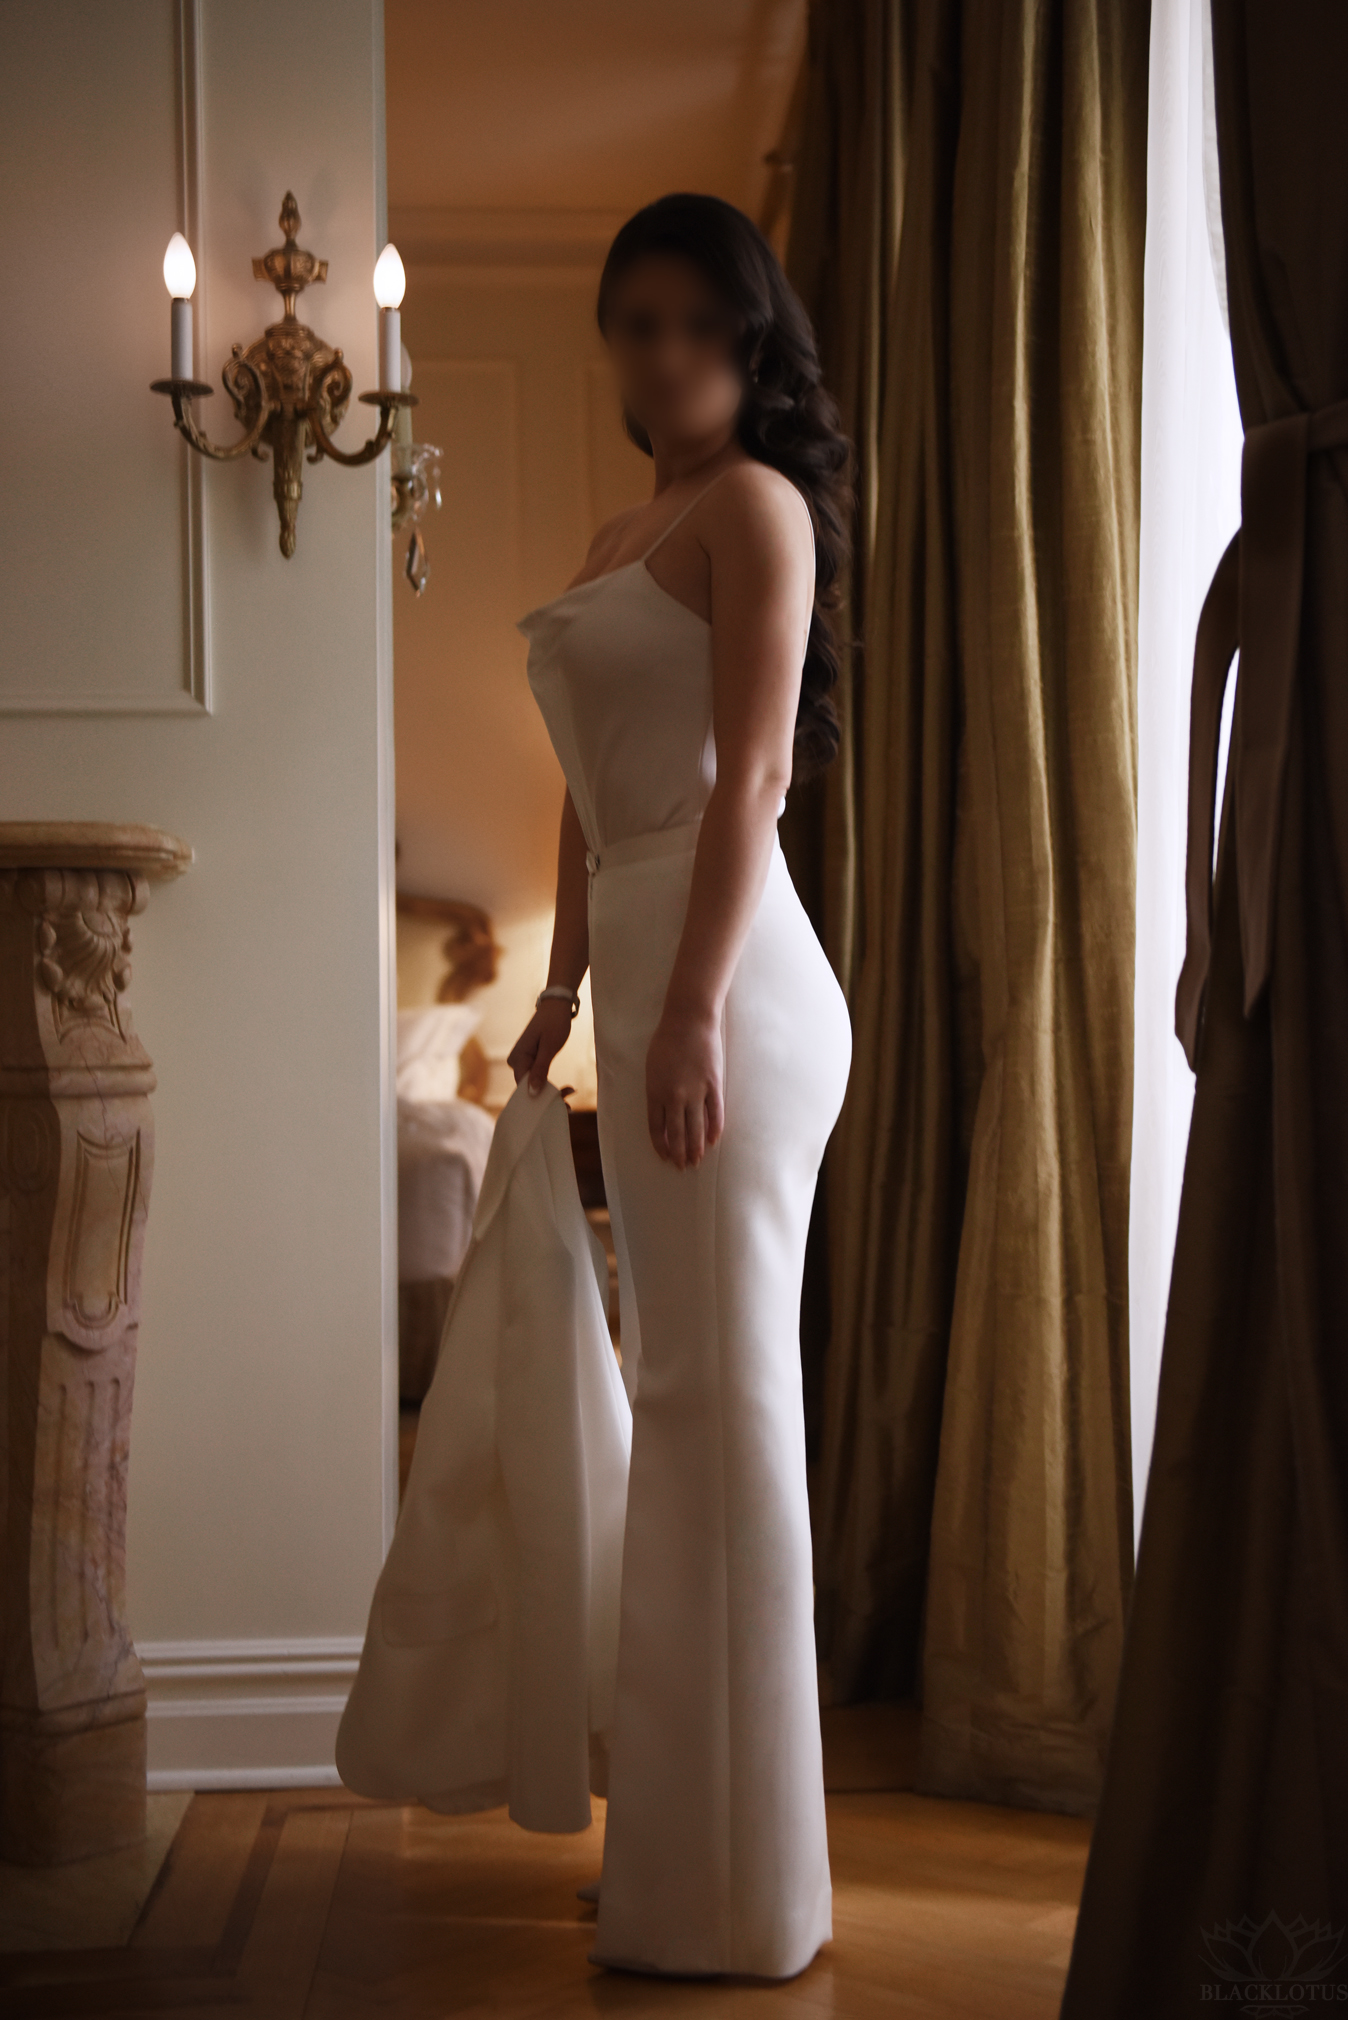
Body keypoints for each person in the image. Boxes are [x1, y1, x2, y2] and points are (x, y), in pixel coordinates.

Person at [510, 191, 853, 1982]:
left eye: (698, 322)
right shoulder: (620, 529)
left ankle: (743, 1893)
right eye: (635, 323)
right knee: (685, 1410)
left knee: (725, 1411)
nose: (665, 354)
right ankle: (688, 1857)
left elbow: (754, 779)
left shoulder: (755, 510)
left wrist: (693, 1012)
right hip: (648, 977)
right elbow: (584, 796)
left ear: (749, 336)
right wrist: (563, 990)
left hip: (734, 993)